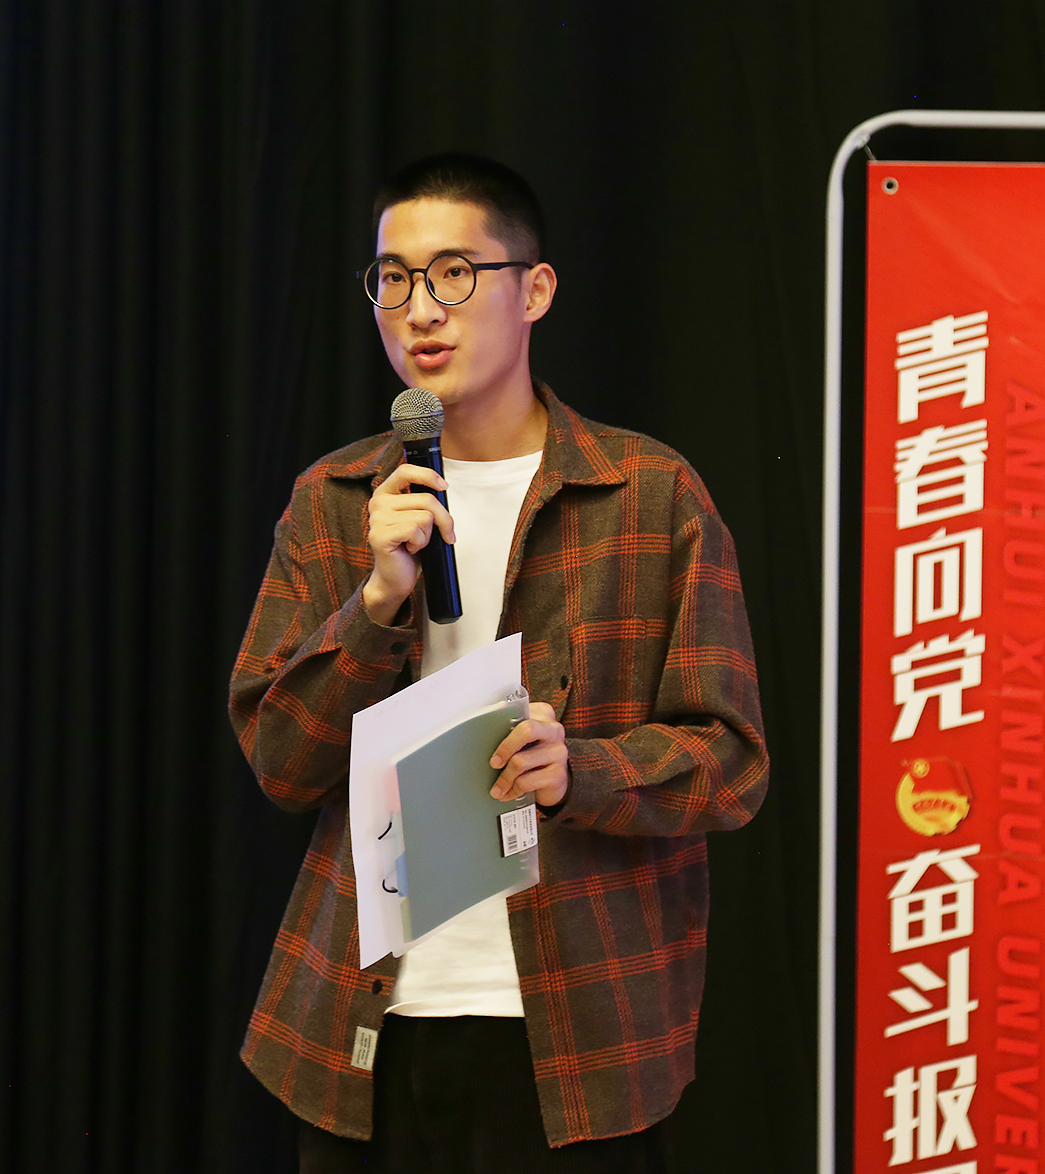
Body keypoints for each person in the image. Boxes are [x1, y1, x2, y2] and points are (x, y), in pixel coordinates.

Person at [229, 153, 769, 1172]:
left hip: (578, 1035)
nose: (419, 310)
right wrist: (375, 604)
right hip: (363, 1024)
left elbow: (732, 763)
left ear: (535, 289)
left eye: (453, 273)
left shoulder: (648, 494)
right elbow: (281, 764)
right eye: (393, 279)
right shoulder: (336, 500)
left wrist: (581, 773)